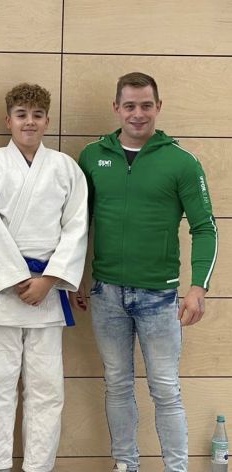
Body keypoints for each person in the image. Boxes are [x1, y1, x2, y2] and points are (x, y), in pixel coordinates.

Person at [73, 72, 218, 472]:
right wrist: (74, 277)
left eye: (146, 105)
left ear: (158, 107)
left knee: (166, 389)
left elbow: (205, 227)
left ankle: (176, 468)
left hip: (159, 296)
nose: (138, 114)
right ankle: (126, 466)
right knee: (117, 385)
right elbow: (77, 224)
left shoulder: (181, 162)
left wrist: (198, 287)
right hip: (106, 295)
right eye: (130, 106)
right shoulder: (92, 157)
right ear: (116, 108)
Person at [0, 83, 88, 472]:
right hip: (4, 292)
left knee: (46, 390)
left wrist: (49, 280)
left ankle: (38, 466)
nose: (29, 122)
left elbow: (77, 228)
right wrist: (15, 277)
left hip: (47, 293)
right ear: (8, 120)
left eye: (37, 115)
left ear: (47, 121)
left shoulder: (66, 168)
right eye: (21, 115)